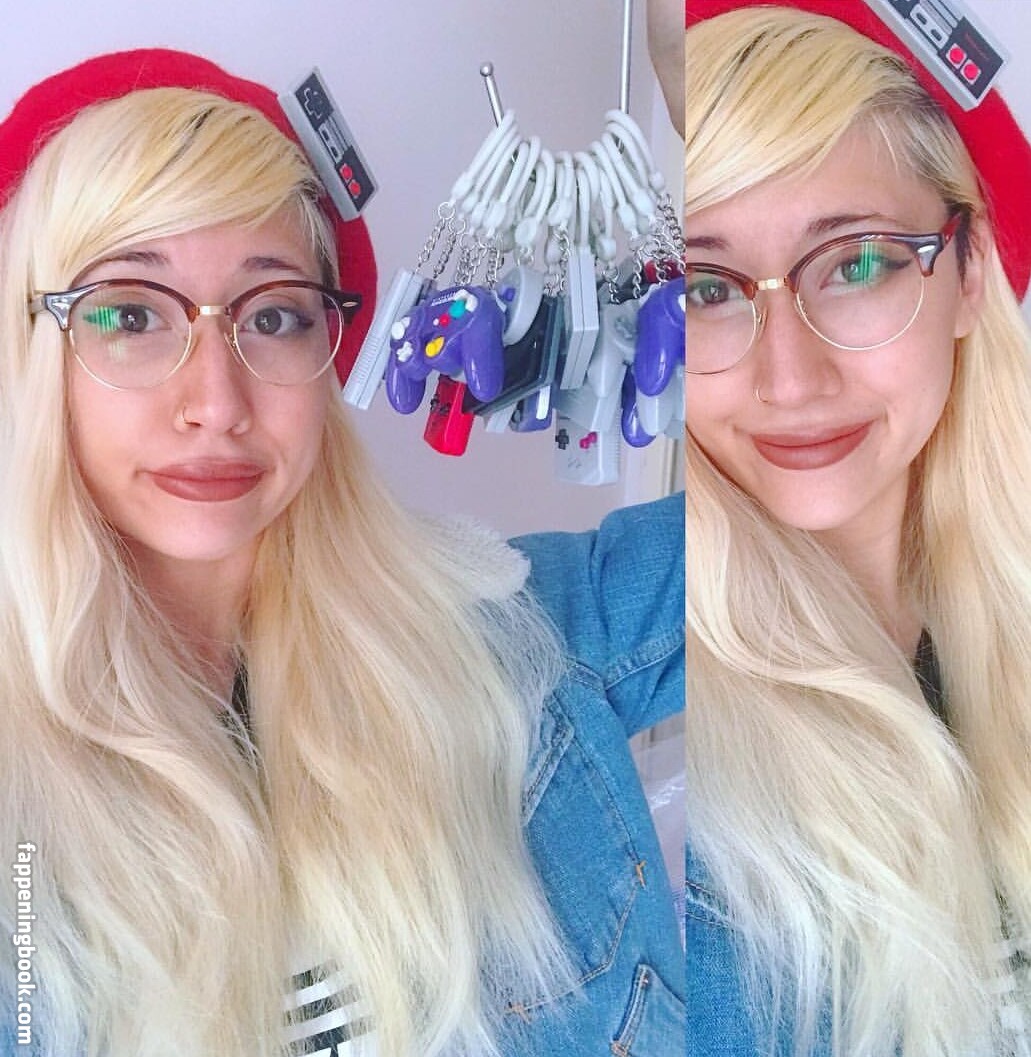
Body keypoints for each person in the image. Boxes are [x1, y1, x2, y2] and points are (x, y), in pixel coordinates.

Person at [0, 47, 685, 1057]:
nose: (216, 403)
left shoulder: (524, 642)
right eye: (130, 314)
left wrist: (698, 72)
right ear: (32, 348)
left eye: (273, 315)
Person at [683, 2, 1031, 1055]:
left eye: (858, 263)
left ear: (970, 274)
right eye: (706, 288)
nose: (788, 378)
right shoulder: (681, 784)